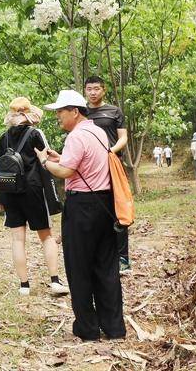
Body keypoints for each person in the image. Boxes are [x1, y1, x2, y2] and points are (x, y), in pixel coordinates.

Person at [34, 89, 126, 341]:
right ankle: (114, 327)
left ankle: (87, 328)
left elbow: (65, 172)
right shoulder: (97, 131)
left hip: (82, 207)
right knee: (106, 266)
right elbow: (85, 163)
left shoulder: (75, 137)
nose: (58, 118)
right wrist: (61, 158)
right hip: (105, 203)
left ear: (75, 111)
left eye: (61, 112)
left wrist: (44, 161)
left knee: (79, 267)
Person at [0, 97, 69, 297]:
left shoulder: (4, 138)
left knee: (17, 240)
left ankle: (24, 286)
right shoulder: (36, 134)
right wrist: (52, 195)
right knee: (46, 236)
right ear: (30, 115)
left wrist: (1, 198)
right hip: (34, 191)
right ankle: (54, 281)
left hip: (10, 192)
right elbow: (45, 161)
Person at [83, 76, 131, 273]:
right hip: (88, 168)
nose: (93, 92)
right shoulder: (81, 112)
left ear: (103, 90)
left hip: (112, 164)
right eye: (89, 89)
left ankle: (123, 259)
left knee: (117, 209)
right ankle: (99, 256)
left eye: (96, 88)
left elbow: (123, 138)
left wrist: (110, 151)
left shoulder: (114, 111)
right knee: (93, 210)